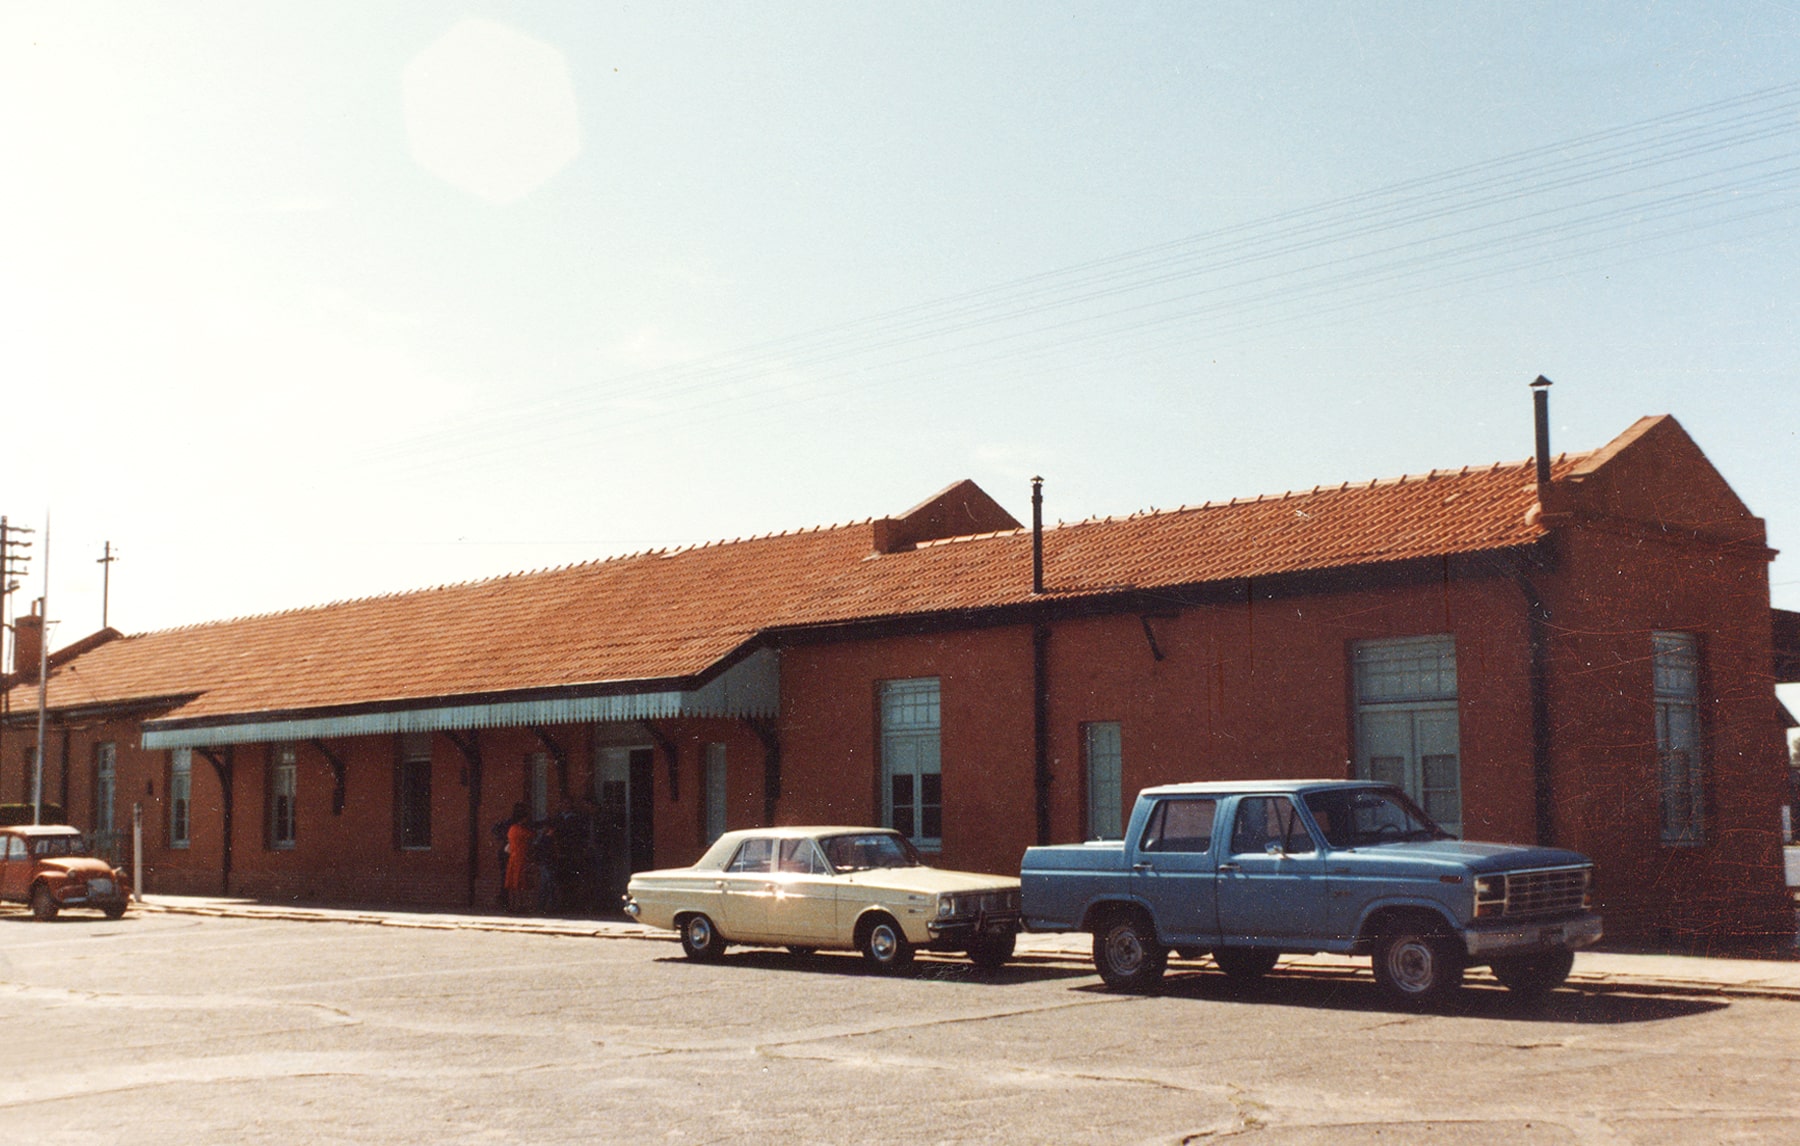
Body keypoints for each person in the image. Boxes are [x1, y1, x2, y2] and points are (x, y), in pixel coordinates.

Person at [504, 803, 532, 912]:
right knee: (519, 883)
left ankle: (512, 905)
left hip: (512, 857)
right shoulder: (522, 830)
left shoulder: (511, 829)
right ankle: (520, 905)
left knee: (511, 883)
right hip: (521, 858)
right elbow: (531, 835)